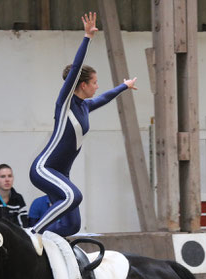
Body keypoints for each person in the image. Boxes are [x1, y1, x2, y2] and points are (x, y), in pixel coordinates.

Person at [29, 12, 137, 237]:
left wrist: (123, 86)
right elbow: (77, 67)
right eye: (95, 83)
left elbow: (104, 98)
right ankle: (33, 233)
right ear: (83, 84)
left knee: (72, 226)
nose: (97, 87)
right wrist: (87, 37)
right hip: (44, 169)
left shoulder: (84, 107)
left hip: (61, 174)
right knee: (73, 196)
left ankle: (44, 246)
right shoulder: (65, 103)